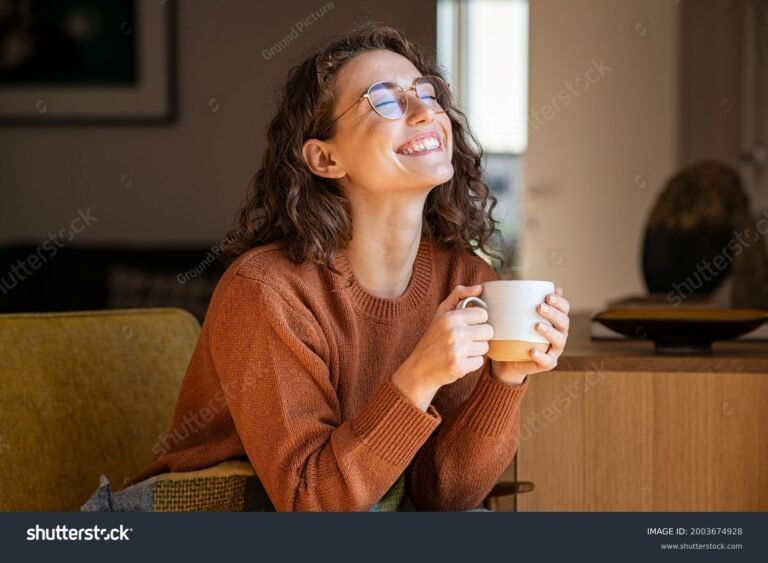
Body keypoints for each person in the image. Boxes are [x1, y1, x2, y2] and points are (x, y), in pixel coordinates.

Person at [130, 23, 571, 511]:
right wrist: (417, 378)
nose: (426, 111)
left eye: (429, 93)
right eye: (385, 100)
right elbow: (309, 502)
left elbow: (443, 500)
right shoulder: (267, 291)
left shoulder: (465, 281)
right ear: (325, 158)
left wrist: (504, 380)